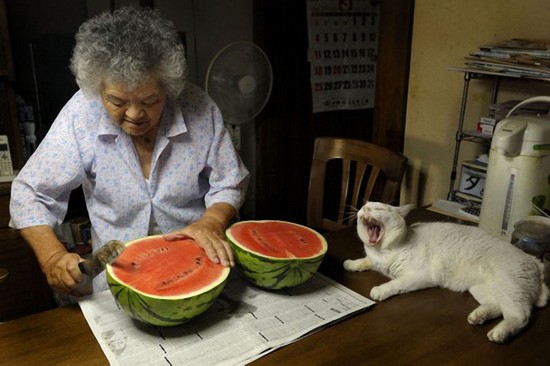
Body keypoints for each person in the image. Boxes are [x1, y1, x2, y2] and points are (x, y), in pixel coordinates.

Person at [9, 6, 249, 297]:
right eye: (117, 101)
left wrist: (211, 222)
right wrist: (52, 258)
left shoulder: (198, 106)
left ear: (169, 87)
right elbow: (30, 193)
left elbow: (228, 181)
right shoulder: (82, 114)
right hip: (117, 283)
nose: (134, 114)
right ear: (98, 89)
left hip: (198, 271)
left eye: (150, 100)